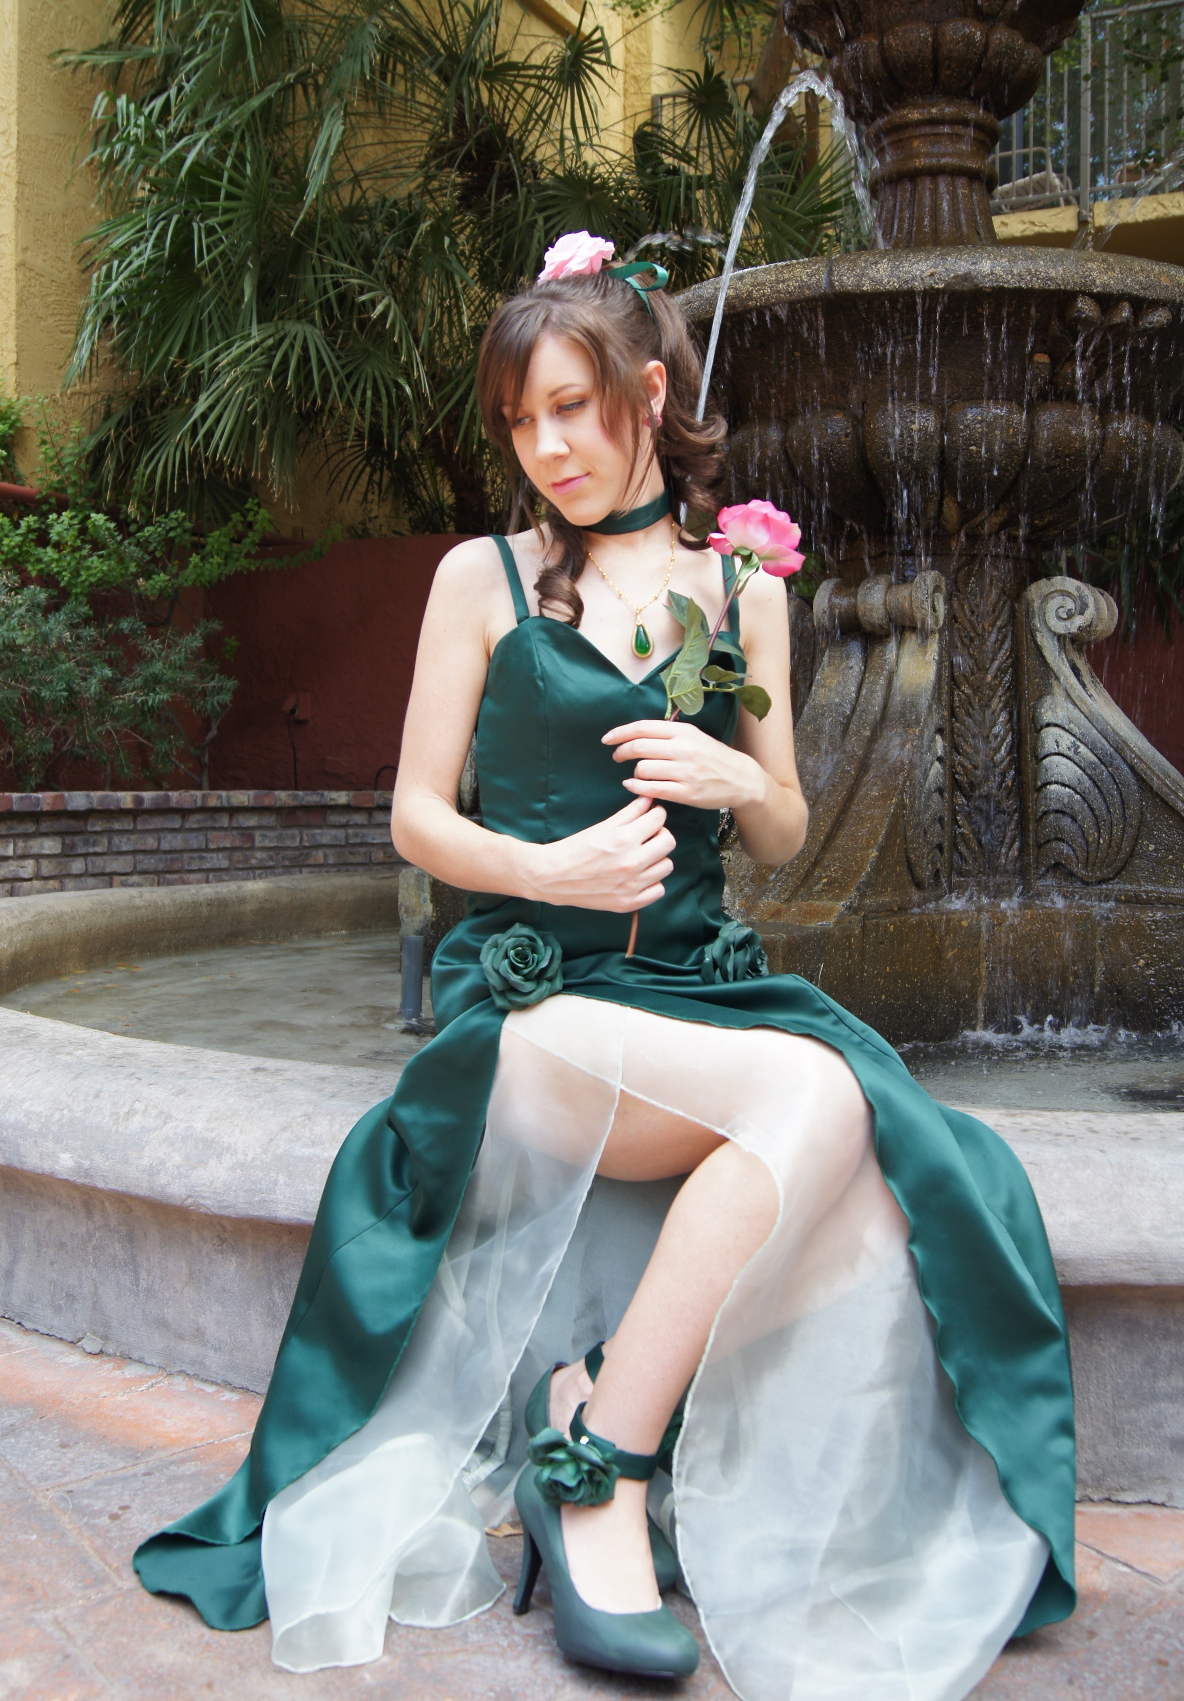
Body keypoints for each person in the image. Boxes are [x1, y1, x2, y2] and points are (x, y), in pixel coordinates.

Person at [133, 235, 1076, 1700]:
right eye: (522, 421)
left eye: (571, 407)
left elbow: (784, 823)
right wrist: (549, 871)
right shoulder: (483, 578)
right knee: (823, 1102)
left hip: (700, 991)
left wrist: (734, 774)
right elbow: (416, 816)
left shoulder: (744, 585)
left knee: (885, 1130)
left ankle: (598, 1420)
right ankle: (603, 1477)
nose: (548, 448)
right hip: (532, 1001)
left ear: (649, 392)